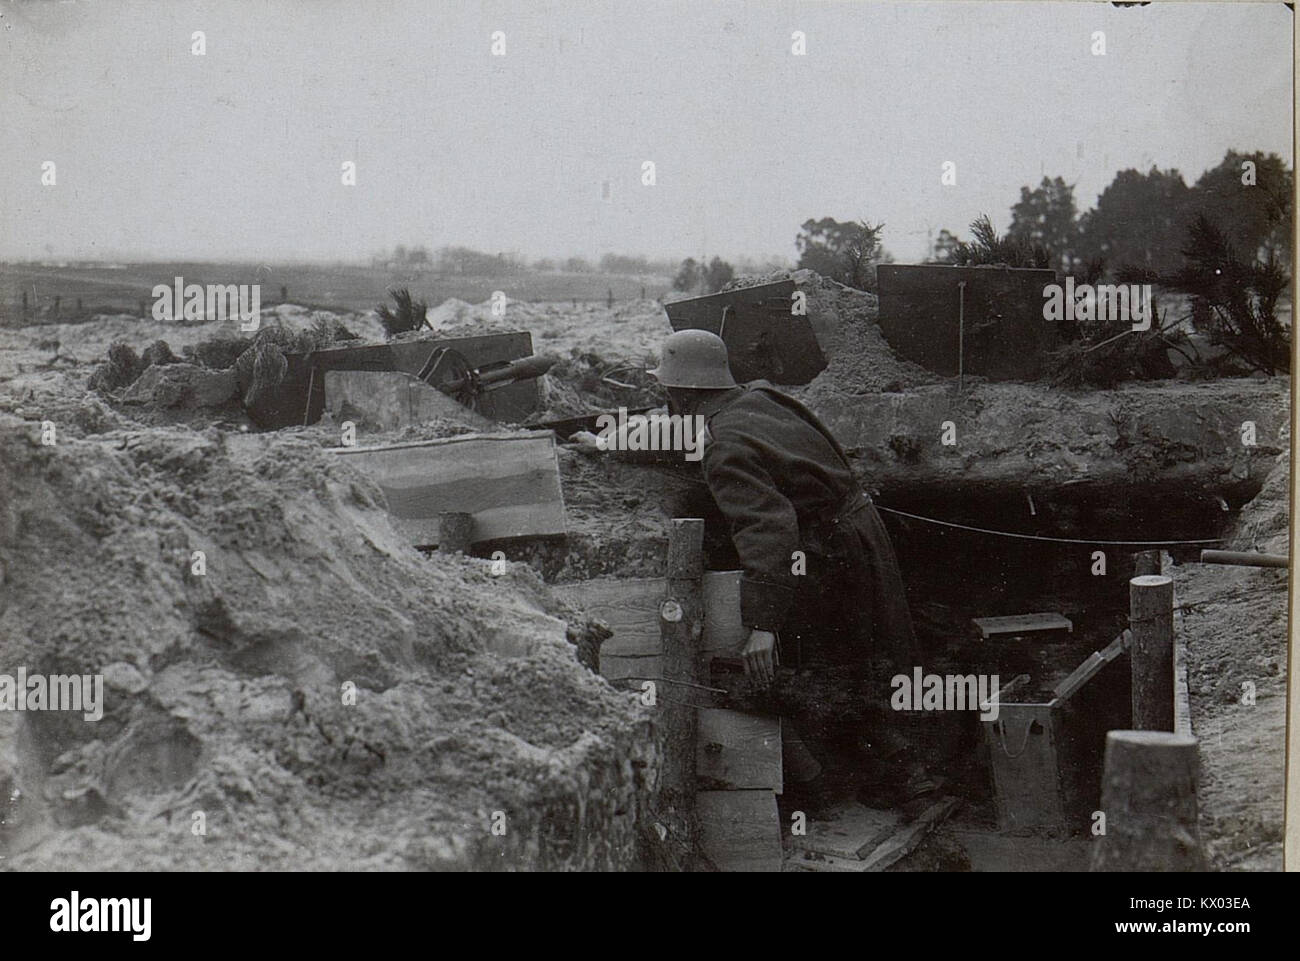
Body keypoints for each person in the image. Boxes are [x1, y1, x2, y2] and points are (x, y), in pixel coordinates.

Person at [581, 328, 941, 815]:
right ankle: (895, 773)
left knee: (835, 661)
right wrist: (610, 444)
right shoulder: (760, 397)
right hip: (859, 534)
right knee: (868, 651)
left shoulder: (725, 445)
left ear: (681, 392)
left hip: (826, 552)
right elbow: (693, 435)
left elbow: (767, 526)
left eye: (668, 391)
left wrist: (763, 624)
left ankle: (894, 782)